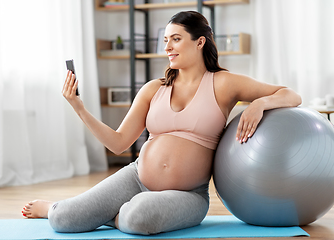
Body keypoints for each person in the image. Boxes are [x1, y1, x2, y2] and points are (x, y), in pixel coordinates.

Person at [22, 11, 302, 235]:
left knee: (139, 216)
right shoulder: (153, 88)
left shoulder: (223, 83)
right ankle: (56, 208)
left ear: (200, 41)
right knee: (63, 219)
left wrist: (259, 104)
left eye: (176, 39)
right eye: (166, 39)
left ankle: (113, 214)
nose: (167, 46)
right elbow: (118, 143)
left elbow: (291, 95)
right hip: (136, 177)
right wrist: (78, 107)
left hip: (187, 195)